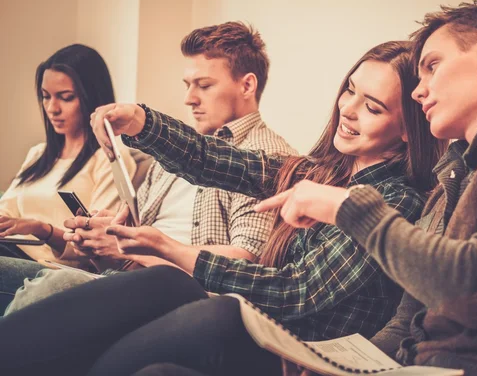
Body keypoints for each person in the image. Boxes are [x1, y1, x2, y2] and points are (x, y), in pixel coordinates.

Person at [0, 40, 446, 376]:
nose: (347, 109)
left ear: (408, 130)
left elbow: (298, 291)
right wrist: (141, 121)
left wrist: (173, 250)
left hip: (304, 352)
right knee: (165, 295)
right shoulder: (317, 171)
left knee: (213, 307)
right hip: (263, 330)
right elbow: (213, 160)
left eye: (371, 106)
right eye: (349, 90)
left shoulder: (394, 201)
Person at [254, 0, 477, 376]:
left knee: (215, 325)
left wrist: (347, 208)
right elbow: (407, 325)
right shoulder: (448, 181)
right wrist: (337, 366)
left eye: (433, 66)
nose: (418, 92)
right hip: (415, 367)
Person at [3, 21, 297, 315]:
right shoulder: (171, 154)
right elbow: (127, 247)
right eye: (187, 85)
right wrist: (103, 239)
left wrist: (136, 247)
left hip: (179, 295)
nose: (189, 98)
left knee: (46, 287)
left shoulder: (266, 158)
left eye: (204, 85)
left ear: (247, 85)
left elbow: (246, 262)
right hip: (125, 279)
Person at [0, 44, 136, 311]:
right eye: (45, 96)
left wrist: (42, 229)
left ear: (90, 97)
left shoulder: (108, 160)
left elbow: (97, 245)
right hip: (11, 251)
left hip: (51, 270)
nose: (52, 108)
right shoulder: (38, 155)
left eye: (65, 97)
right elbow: (6, 211)